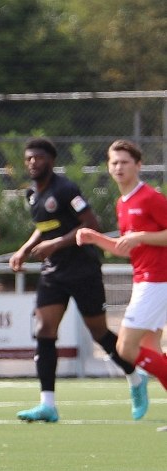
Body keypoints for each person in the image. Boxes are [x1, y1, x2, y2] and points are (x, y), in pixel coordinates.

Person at [9, 137, 147, 423]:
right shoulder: (31, 195)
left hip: (83, 269)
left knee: (99, 332)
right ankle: (48, 404)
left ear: (51, 161)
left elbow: (91, 225)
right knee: (44, 329)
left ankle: (135, 377)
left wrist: (55, 244)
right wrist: (24, 249)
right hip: (53, 272)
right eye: (29, 158)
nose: (33, 162)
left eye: (39, 157)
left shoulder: (66, 189)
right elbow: (43, 228)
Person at [77, 140, 167, 419]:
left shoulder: (150, 198)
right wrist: (94, 238)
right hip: (144, 280)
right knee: (149, 350)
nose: (118, 167)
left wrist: (141, 236)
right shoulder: (122, 203)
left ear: (138, 166)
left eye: (125, 162)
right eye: (114, 162)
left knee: (125, 349)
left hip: (157, 281)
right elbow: (123, 247)